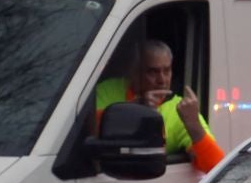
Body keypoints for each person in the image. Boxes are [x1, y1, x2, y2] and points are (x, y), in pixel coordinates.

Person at [95, 40, 224, 172]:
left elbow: (217, 168)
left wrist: (193, 124)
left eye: (167, 71)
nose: (162, 80)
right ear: (134, 73)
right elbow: (85, 131)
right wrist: (134, 108)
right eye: (153, 72)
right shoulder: (108, 90)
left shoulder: (179, 110)